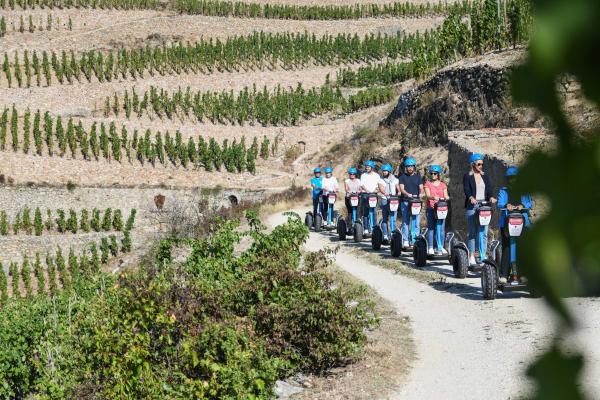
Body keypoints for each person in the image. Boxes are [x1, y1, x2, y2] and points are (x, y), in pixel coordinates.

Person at [497, 166, 533, 283]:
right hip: (507, 223)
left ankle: (522, 274)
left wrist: (523, 205)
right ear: (508, 179)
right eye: (510, 178)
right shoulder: (503, 190)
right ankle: (504, 275)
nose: (513, 180)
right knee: (507, 248)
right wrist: (506, 205)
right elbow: (500, 203)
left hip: (523, 223)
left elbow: (530, 203)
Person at [463, 153, 497, 265]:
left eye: (482, 164)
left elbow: (489, 189)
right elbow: (467, 189)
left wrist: (491, 197)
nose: (481, 166)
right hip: (472, 206)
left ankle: (482, 255)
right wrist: (471, 197)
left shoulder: (485, 176)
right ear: (473, 164)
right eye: (478, 164)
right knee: (473, 232)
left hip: (484, 205)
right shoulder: (467, 176)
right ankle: (472, 255)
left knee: (484, 231)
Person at [397, 157, 424, 247]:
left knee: (416, 221)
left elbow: (421, 188)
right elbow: (402, 188)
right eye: (408, 166)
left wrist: (421, 193)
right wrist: (407, 194)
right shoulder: (402, 177)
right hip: (405, 202)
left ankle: (415, 239)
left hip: (416, 202)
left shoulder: (418, 177)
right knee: (405, 221)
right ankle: (405, 240)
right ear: (406, 167)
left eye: (411, 166)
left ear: (414, 167)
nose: (410, 168)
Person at [424, 165, 450, 256]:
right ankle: (431, 247)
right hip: (431, 209)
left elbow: (446, 195)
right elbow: (427, 195)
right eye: (431, 173)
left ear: (439, 174)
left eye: (435, 173)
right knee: (431, 228)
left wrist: (447, 197)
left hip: (441, 208)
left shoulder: (443, 184)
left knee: (441, 229)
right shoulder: (427, 183)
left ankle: (441, 246)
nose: (433, 175)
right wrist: (433, 197)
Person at [377, 163, 398, 243]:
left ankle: (393, 235)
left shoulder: (395, 179)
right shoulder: (381, 180)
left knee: (393, 219)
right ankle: (385, 235)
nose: (384, 172)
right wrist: (384, 192)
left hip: (393, 200)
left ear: (389, 171)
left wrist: (399, 192)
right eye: (383, 171)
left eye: (386, 171)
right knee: (385, 218)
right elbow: (381, 188)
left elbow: (397, 187)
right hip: (385, 199)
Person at [359, 160, 380, 234]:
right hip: (366, 195)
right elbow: (362, 185)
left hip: (374, 195)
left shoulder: (376, 175)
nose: (367, 168)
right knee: (366, 212)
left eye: (368, 167)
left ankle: (374, 227)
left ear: (372, 167)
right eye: (366, 167)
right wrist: (367, 190)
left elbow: (378, 185)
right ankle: (366, 228)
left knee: (374, 212)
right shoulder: (363, 175)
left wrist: (376, 189)